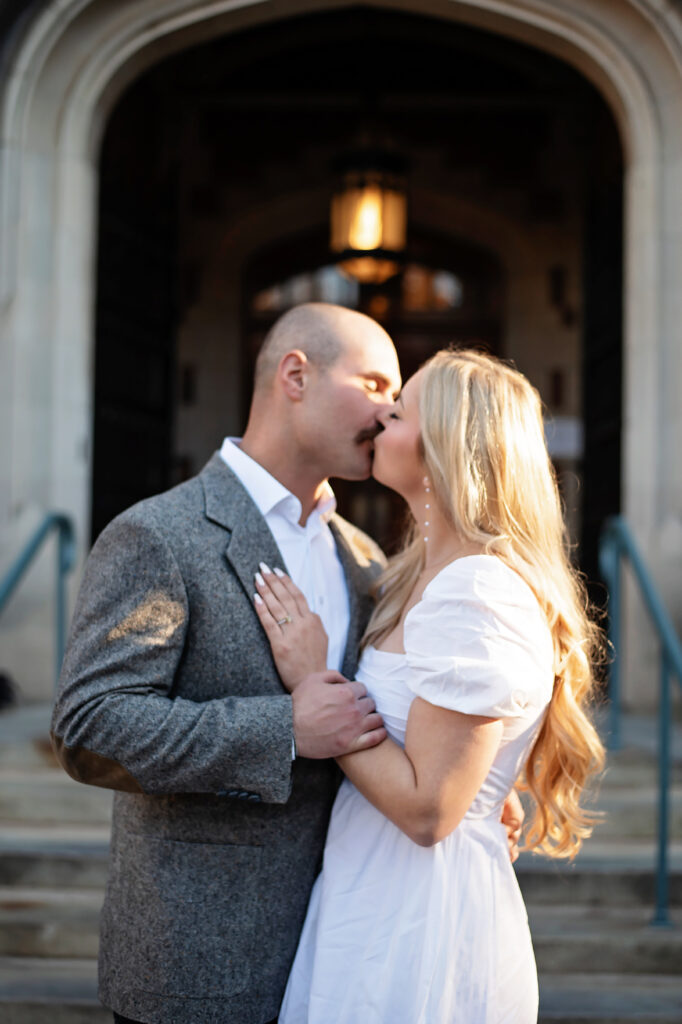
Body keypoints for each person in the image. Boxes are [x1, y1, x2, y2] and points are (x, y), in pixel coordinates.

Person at [50, 305, 522, 1024]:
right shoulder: (159, 534)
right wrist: (282, 730)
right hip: (198, 971)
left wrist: (473, 771)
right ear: (295, 375)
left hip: (343, 960)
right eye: (373, 382)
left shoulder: (368, 560)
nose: (390, 407)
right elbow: (88, 727)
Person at [253, 348, 606, 1024]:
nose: (384, 413)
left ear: (446, 443)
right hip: (371, 889)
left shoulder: (476, 589)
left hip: (419, 916)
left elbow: (429, 810)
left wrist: (312, 683)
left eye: (404, 406)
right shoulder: (418, 575)